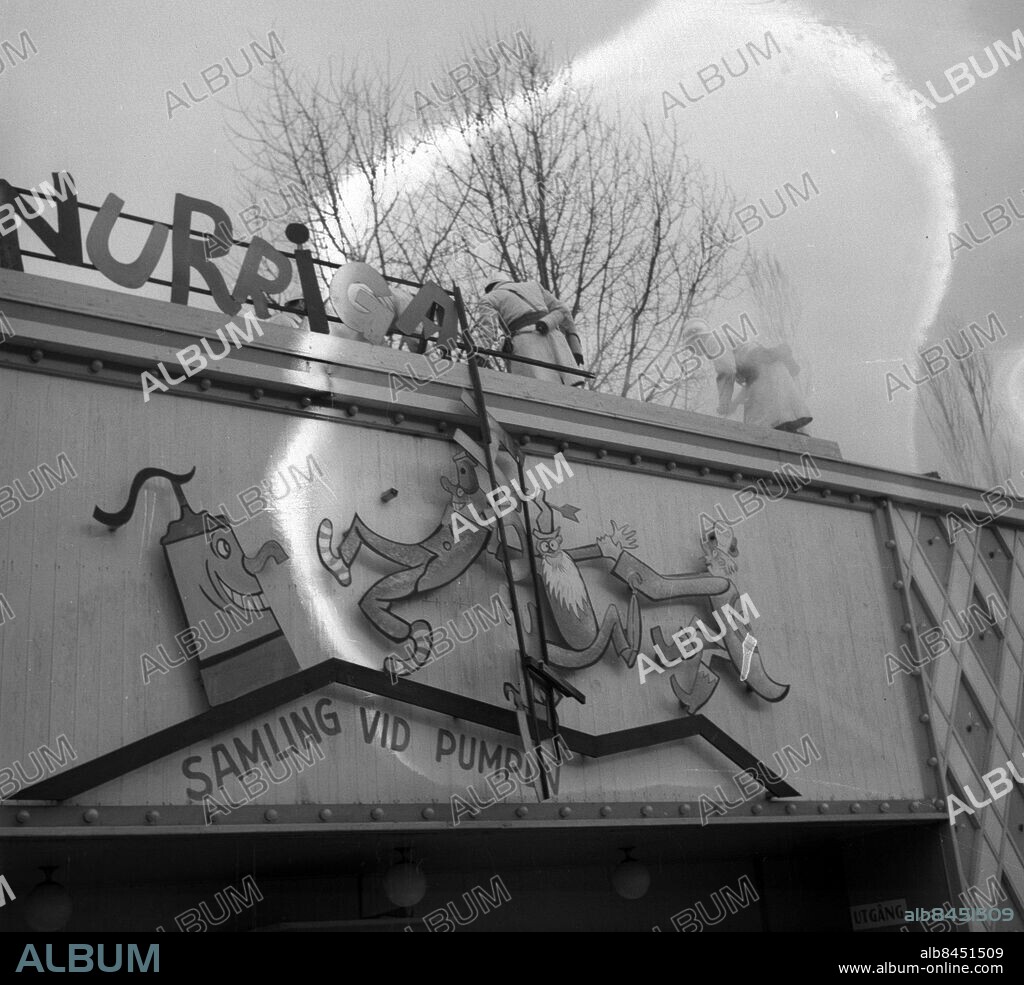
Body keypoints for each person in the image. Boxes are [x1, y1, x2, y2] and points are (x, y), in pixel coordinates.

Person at [477, 278, 585, 386]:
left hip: (526, 344)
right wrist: (575, 348)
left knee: (536, 390)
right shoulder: (534, 286)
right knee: (566, 392)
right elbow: (564, 310)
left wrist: (479, 356)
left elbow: (488, 330)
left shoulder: (488, 298)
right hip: (555, 340)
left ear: (490, 289)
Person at [727, 340, 812, 433]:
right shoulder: (767, 366)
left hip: (772, 411)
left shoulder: (756, 357)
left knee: (766, 418)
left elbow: (748, 380)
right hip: (775, 412)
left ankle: (782, 424)